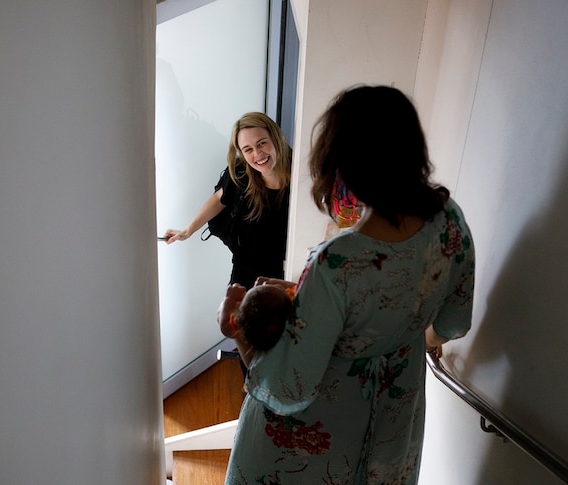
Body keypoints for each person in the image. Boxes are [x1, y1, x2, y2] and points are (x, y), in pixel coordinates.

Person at [217, 84, 476, 485]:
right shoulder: (449, 221)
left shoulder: (336, 261)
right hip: (394, 415)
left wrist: (236, 326)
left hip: (324, 430)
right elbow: (453, 322)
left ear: (342, 162)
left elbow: (289, 390)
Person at [162, 112, 292, 288]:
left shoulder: (300, 171)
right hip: (246, 269)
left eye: (262, 143)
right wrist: (187, 231)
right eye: (248, 149)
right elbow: (219, 199)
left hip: (287, 270)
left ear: (275, 138)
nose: (258, 154)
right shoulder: (240, 173)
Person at [222, 278, 296, 359]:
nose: (264, 283)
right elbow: (298, 286)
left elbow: (224, 325)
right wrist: (270, 281)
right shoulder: (290, 301)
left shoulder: (245, 326)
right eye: (278, 287)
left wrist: (229, 299)